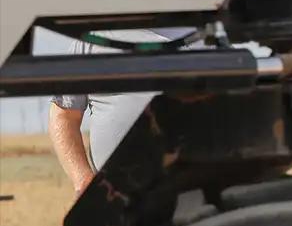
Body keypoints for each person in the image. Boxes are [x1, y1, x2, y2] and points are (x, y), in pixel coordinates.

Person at [49, 28, 194, 197]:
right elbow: (64, 115)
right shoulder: (94, 38)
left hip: (188, 190)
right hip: (113, 199)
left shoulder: (203, 36)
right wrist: (83, 181)